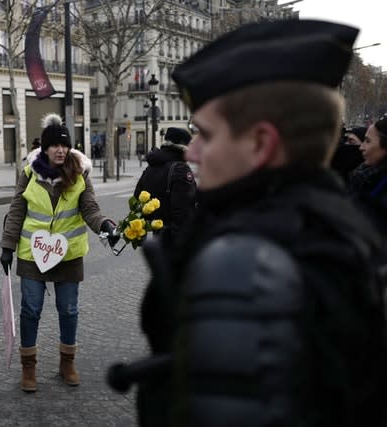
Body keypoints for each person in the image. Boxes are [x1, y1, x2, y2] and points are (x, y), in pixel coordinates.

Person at [134, 20, 386, 426]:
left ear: (261, 144)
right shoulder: (342, 225)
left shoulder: (244, 267)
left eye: (207, 135)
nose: (193, 152)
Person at [0, 113, 117, 392]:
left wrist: (106, 227)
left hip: (68, 254)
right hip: (32, 253)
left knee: (68, 309)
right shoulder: (29, 173)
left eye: (64, 145)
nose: (61, 150)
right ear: (45, 148)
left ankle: (67, 363)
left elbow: (90, 209)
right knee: (31, 310)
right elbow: (17, 210)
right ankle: (29, 368)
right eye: (55, 146)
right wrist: (7, 246)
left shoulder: (80, 175)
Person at [133, 127, 196, 243]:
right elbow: (183, 209)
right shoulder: (180, 169)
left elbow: (138, 199)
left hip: (158, 234)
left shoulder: (150, 168)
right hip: (177, 238)